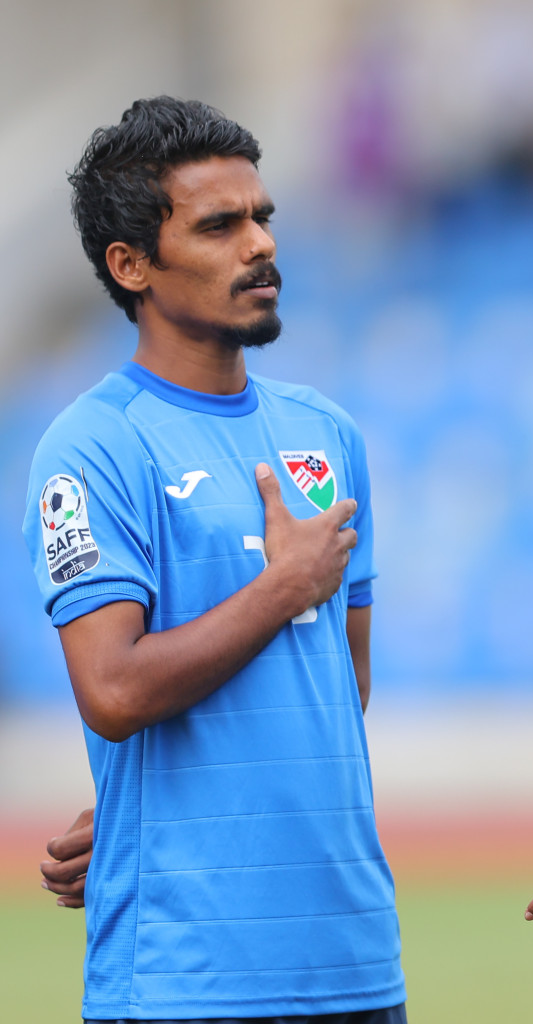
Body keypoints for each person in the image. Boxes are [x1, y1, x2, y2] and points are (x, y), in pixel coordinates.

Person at [26, 96, 406, 1023]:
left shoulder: (324, 433)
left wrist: (158, 806)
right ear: (131, 266)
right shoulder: (93, 448)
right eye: (220, 226)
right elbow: (112, 692)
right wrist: (281, 588)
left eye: (264, 217)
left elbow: (336, 685)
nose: (261, 245)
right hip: (185, 978)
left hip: (355, 960)